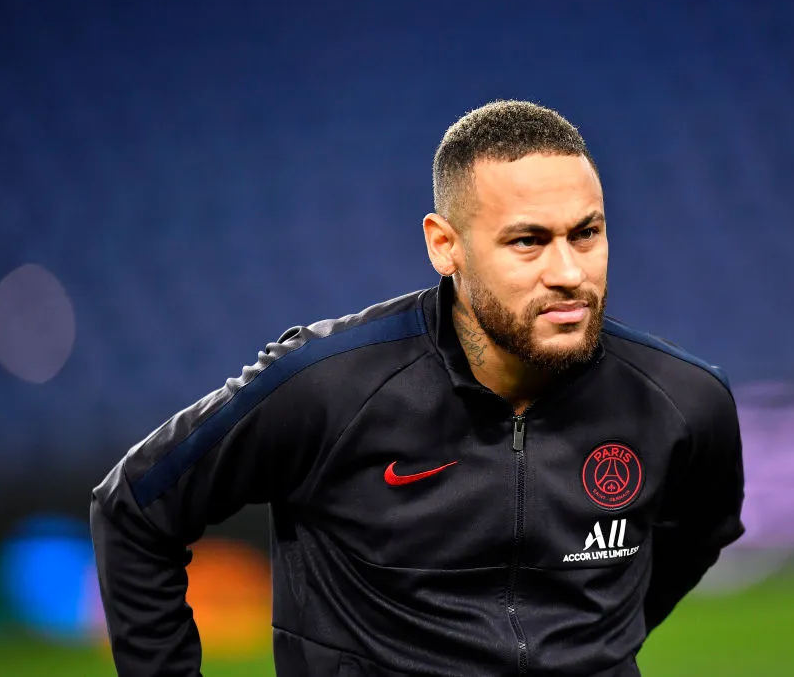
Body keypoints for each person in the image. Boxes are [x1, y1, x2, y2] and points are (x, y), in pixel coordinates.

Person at [91, 99, 745, 677]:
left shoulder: (683, 401)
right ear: (445, 245)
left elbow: (697, 534)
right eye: (528, 241)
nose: (568, 271)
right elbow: (135, 510)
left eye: (587, 233)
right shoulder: (327, 387)